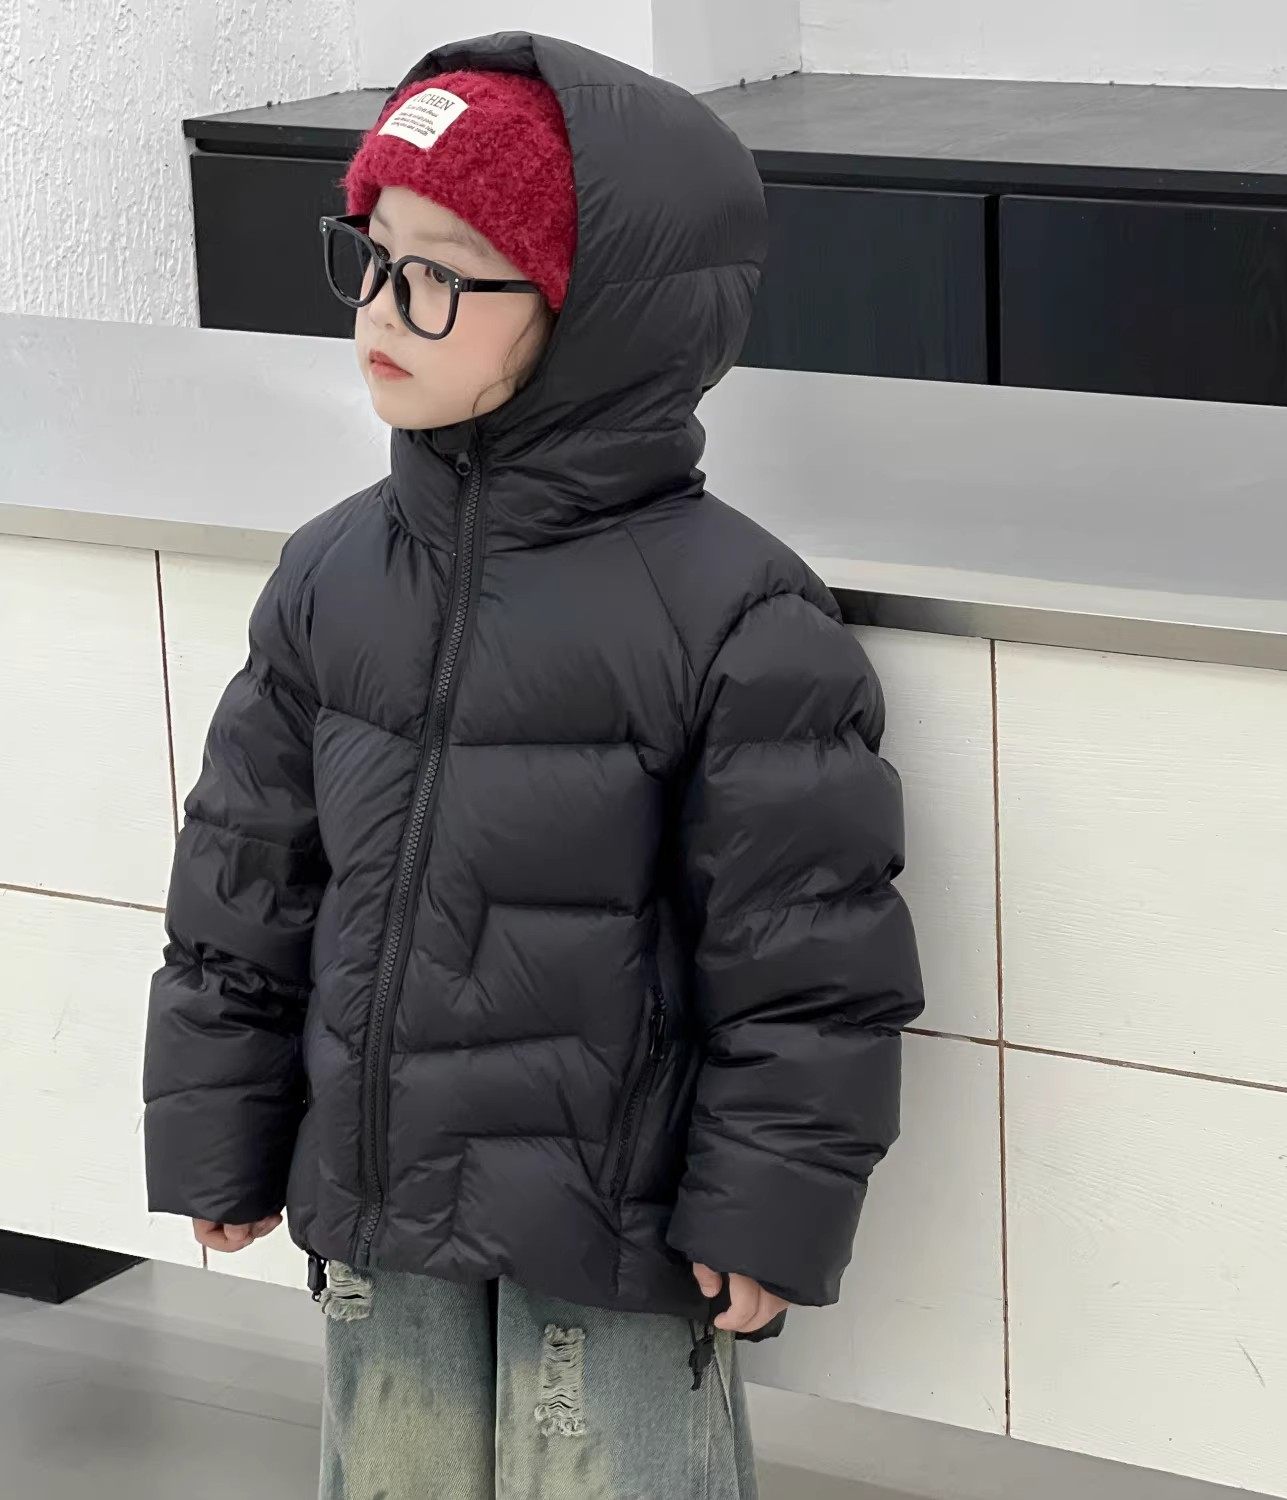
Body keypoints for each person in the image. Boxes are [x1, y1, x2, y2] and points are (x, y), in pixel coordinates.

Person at [142, 30, 923, 1500]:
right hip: (378, 1206)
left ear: (593, 314)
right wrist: (219, 1130)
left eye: (439, 275)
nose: (382, 308)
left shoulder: (735, 614)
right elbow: (244, 884)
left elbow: (807, 965)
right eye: (371, 256)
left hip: (611, 1235)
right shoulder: (330, 579)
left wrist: (766, 1206)